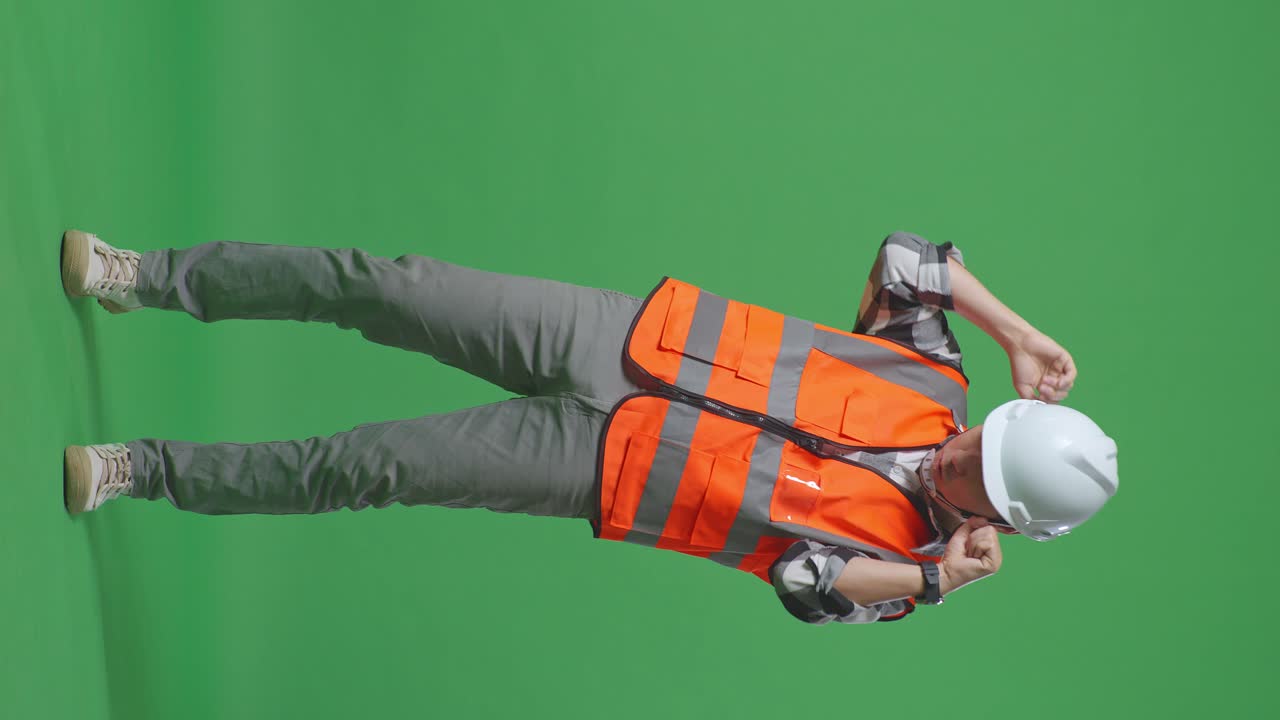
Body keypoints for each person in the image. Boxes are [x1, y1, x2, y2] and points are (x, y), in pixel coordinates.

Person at [60, 228, 1118, 624]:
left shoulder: (904, 569)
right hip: (621, 339)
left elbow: (804, 585)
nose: (961, 445)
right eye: (987, 430)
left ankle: (143, 470)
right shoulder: (932, 371)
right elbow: (904, 258)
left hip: (602, 470)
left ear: (1005, 521)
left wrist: (936, 579)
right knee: (385, 285)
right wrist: (1014, 330)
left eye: (979, 470)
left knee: (369, 465)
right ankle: (143, 276)